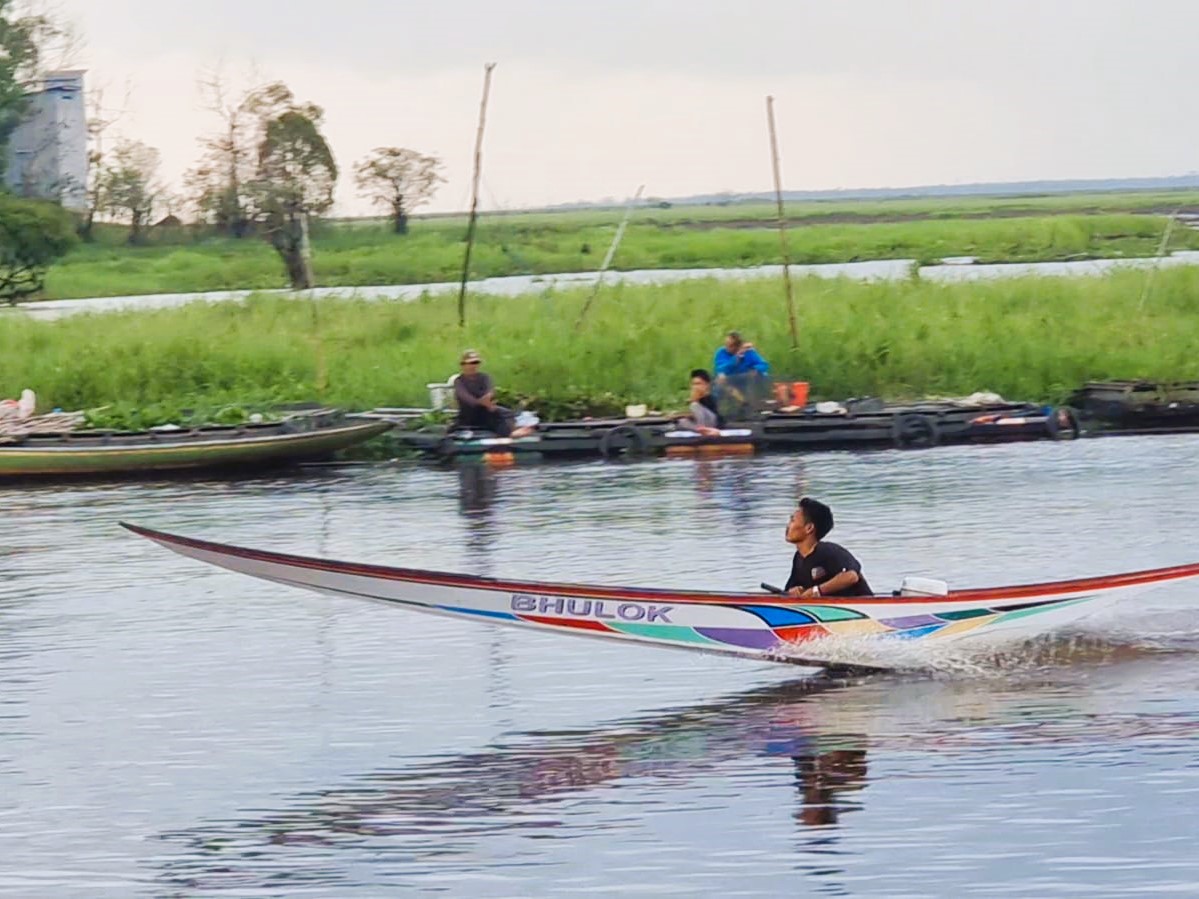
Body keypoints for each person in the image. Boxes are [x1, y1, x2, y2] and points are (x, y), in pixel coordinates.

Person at [783, 497, 873, 598]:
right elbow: (788, 592)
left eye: (792, 520)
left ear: (809, 528)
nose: (788, 526)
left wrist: (817, 590)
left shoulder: (828, 551)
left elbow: (851, 576)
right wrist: (794, 590)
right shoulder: (798, 558)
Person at [453, 349, 512, 436]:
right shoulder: (459, 381)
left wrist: (488, 401)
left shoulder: (485, 377)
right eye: (471, 363)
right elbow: (467, 399)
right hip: (468, 415)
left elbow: (490, 391)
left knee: (504, 415)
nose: (473, 366)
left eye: (476, 363)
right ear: (463, 365)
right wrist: (484, 403)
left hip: (487, 412)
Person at [677, 369, 724, 436]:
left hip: (712, 422)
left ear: (707, 385)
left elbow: (712, 415)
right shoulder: (697, 396)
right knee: (682, 421)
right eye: (693, 384)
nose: (695, 387)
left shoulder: (709, 396)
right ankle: (700, 430)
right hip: (701, 423)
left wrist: (694, 400)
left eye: (698, 384)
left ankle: (703, 430)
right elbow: (697, 414)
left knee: (694, 405)